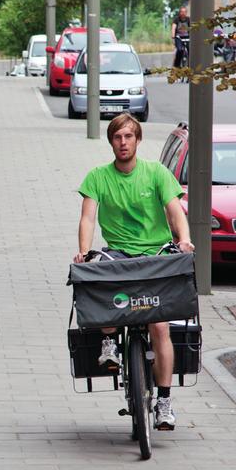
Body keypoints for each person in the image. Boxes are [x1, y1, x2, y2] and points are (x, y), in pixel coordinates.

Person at [74, 113, 194, 430]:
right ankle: (109, 345)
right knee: (103, 279)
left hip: (154, 253)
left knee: (160, 328)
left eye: (128, 136)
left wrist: (184, 240)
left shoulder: (156, 173)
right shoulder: (98, 177)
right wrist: (85, 251)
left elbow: (174, 210)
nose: (123, 142)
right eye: (117, 137)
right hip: (118, 252)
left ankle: (165, 402)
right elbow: (87, 218)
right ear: (111, 141)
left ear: (137, 140)